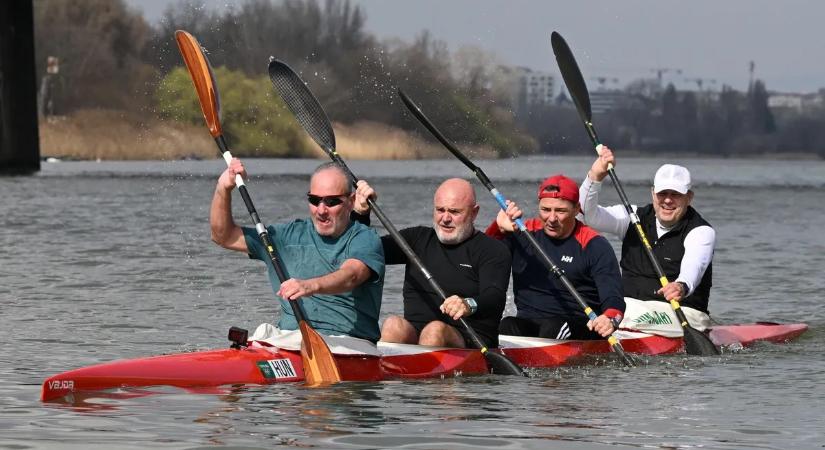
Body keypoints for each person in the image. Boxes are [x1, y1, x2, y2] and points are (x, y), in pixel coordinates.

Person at [210, 159, 385, 343]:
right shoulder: (287, 236)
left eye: (332, 201)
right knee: (262, 334)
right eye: (314, 200)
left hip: (350, 345)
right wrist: (223, 188)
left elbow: (351, 275)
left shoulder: (364, 238)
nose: (321, 210)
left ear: (350, 202)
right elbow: (223, 235)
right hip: (288, 341)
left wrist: (309, 286)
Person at [353, 178, 511, 348]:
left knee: (435, 331)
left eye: (454, 212)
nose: (445, 218)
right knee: (393, 324)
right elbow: (365, 251)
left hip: (470, 339)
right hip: (417, 333)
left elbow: (494, 296)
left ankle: (422, 372)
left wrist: (468, 304)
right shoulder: (416, 239)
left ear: (474, 213)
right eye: (440, 210)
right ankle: (387, 372)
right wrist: (360, 214)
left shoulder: (493, 250)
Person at [579, 147, 715, 335]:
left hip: (683, 314)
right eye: (662, 193)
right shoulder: (632, 217)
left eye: (675, 194)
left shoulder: (701, 231)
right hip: (629, 310)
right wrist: (595, 177)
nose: (667, 200)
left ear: (689, 197)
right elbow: (588, 216)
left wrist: (681, 285)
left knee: (621, 313)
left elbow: (696, 265)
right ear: (653, 194)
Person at [485, 174, 624, 340]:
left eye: (560, 211)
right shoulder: (522, 232)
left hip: (578, 325)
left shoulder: (594, 245)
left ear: (576, 209)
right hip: (528, 322)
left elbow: (614, 299)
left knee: (554, 327)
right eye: (545, 210)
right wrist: (498, 228)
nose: (551, 218)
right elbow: (483, 259)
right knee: (507, 324)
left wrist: (609, 318)